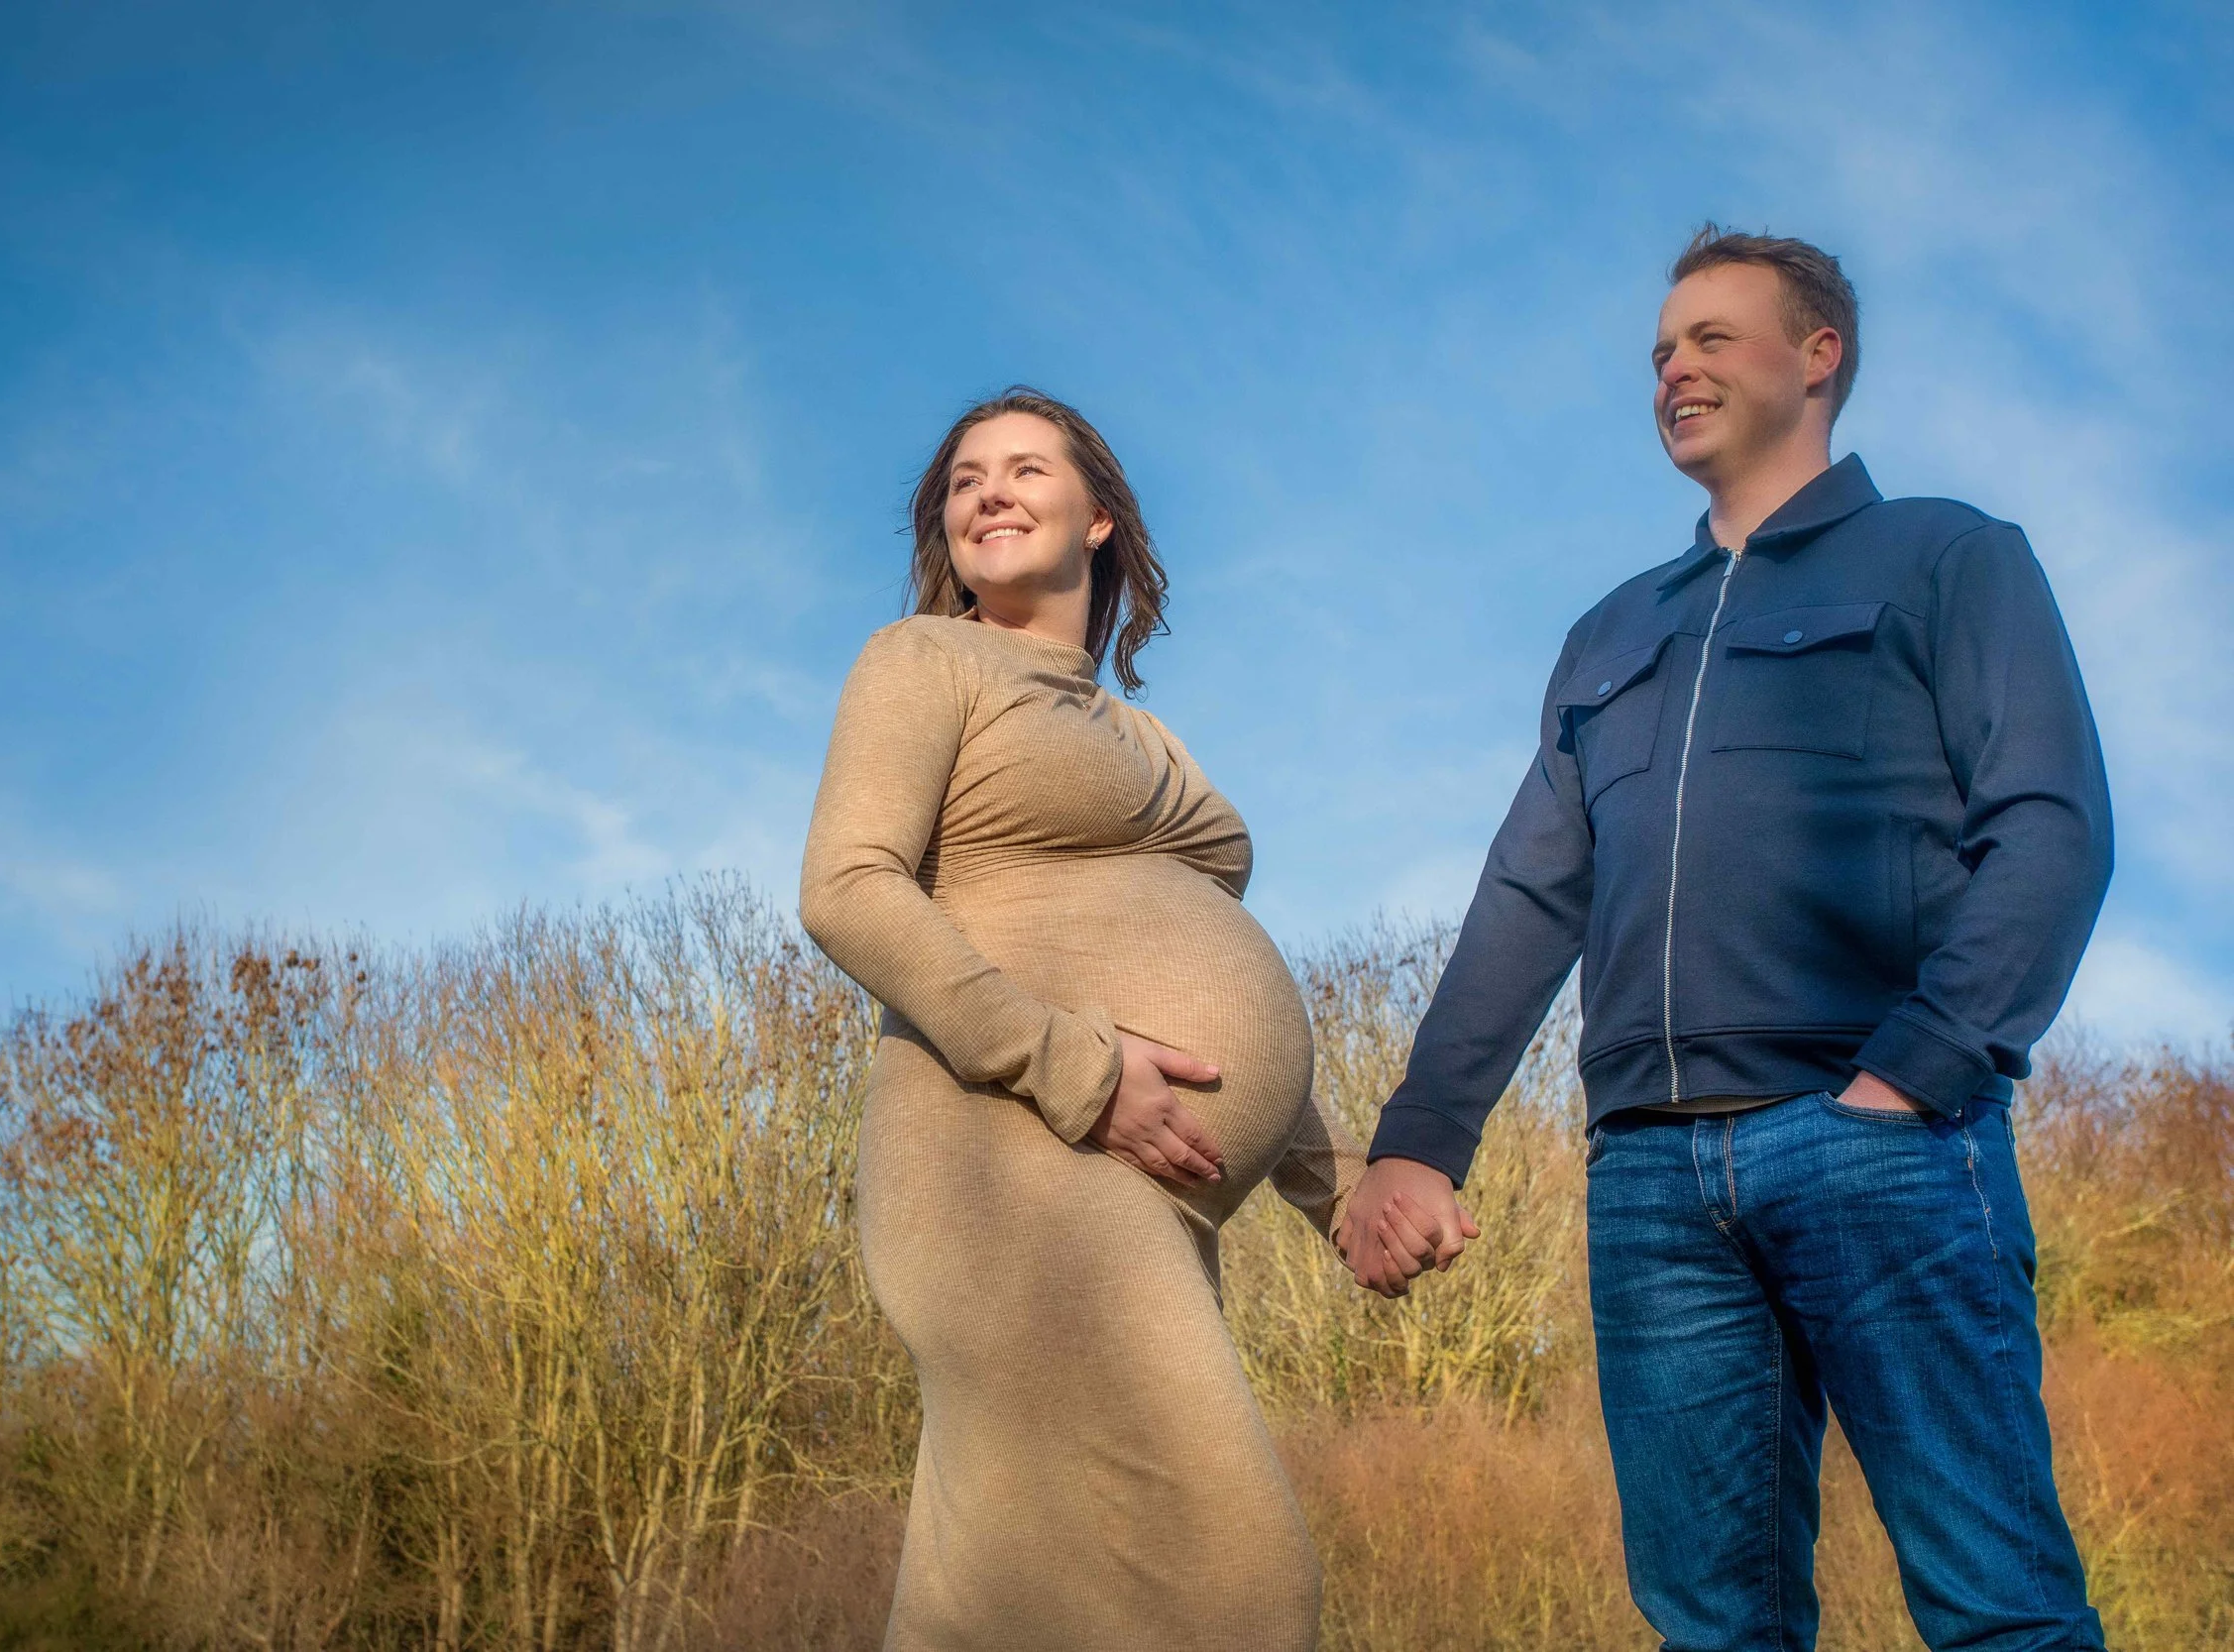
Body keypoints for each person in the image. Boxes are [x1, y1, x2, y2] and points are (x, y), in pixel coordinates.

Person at [1339, 227, 2112, 1650]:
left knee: (1998, 1605)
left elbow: (2053, 827)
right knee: (1710, 1627)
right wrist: (1419, 1134)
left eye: (1709, 338)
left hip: (1877, 1138)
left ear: (1818, 356)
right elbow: (1529, 891)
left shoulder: (1948, 554)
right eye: (1658, 351)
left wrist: (1917, 1074)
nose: (1672, 368)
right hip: (1648, 1178)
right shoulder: (1613, 629)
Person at [801, 387, 1363, 1651]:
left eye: (1022, 468)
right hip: (1015, 1163)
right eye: (963, 479)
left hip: (1137, 1187)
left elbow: (1211, 996)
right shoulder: (926, 659)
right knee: (1233, 1590)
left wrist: (1338, 1188)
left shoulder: (1136, 728)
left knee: (997, 1603)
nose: (987, 490)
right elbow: (845, 887)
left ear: (1099, 516)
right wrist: (1073, 1066)